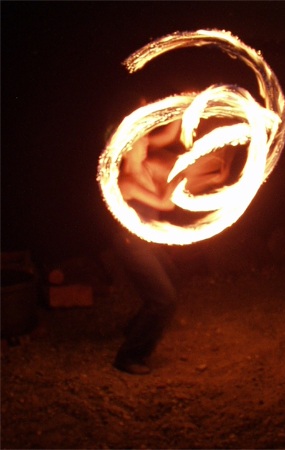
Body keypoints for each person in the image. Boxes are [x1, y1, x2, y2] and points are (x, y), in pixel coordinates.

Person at [112, 119, 182, 375]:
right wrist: (182, 173)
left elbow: (168, 134)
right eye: (141, 141)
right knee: (165, 299)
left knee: (172, 281)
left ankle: (135, 327)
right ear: (127, 148)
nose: (147, 143)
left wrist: (187, 105)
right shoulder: (126, 182)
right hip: (132, 245)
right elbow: (165, 204)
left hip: (150, 242)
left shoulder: (146, 168)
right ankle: (129, 356)